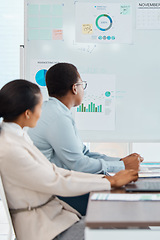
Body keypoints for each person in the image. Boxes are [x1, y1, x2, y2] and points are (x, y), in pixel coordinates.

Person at [0, 79, 138, 240]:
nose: (41, 112)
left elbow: (56, 172)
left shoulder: (17, 136)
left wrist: (107, 179)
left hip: (55, 218)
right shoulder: (10, 148)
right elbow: (56, 181)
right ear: (27, 113)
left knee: (130, 224)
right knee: (129, 230)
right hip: (47, 229)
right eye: (39, 107)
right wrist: (109, 182)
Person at [27, 62, 143, 215]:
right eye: (82, 84)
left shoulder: (57, 111)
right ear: (75, 88)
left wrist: (120, 161)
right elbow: (79, 165)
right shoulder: (58, 117)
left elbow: (84, 153)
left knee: (123, 200)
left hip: (60, 184)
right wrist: (121, 166)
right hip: (55, 193)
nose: (83, 89)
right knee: (122, 206)